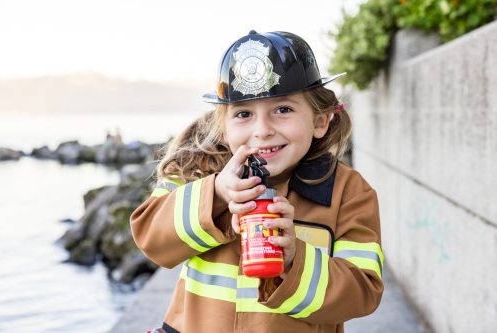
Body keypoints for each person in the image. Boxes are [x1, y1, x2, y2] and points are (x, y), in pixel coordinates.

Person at [131, 30, 383, 333]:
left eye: (283, 110)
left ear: (320, 120)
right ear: (223, 126)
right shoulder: (196, 171)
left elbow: (364, 292)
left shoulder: (348, 192)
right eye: (244, 114)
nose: (262, 130)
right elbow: (150, 238)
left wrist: (295, 260)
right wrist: (217, 196)